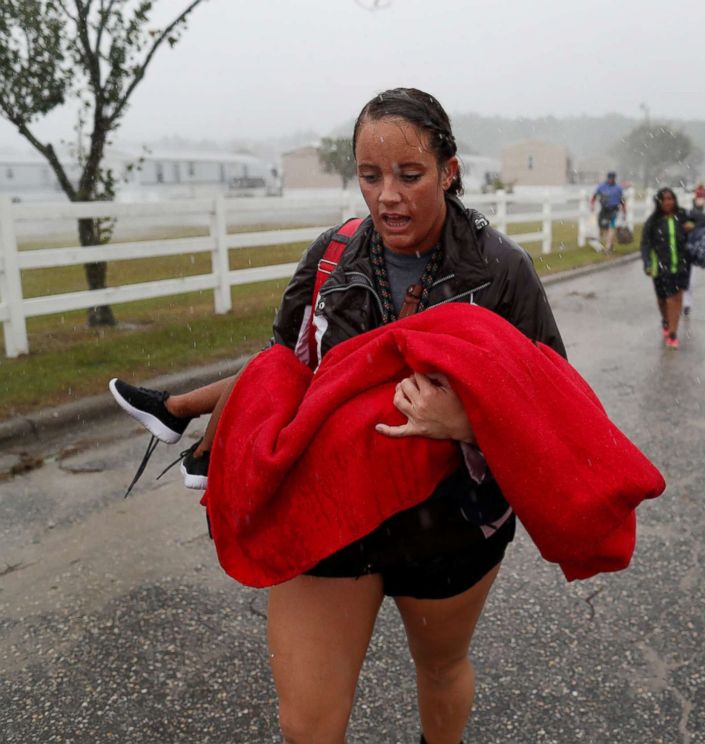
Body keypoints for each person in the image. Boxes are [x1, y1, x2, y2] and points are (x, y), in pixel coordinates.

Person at [111, 87, 565, 744]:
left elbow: (557, 402)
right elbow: (282, 368)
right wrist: (226, 434)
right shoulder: (333, 253)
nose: (387, 196)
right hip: (325, 511)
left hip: (449, 525)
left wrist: (466, 420)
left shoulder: (502, 271)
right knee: (307, 725)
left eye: (410, 175)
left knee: (440, 672)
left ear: (449, 170)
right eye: (370, 175)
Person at [641, 187, 691, 349]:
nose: (669, 202)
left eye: (671, 199)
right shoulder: (653, 221)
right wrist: (648, 263)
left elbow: (703, 218)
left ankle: (673, 332)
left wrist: (693, 224)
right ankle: (665, 320)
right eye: (665, 199)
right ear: (659, 202)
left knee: (675, 297)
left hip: (682, 266)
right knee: (663, 299)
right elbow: (645, 244)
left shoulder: (682, 216)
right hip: (660, 267)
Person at [681, 193, 705, 317]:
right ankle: (680, 302)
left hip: (692, 252)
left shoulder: (702, 218)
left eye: (702, 201)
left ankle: (687, 303)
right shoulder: (684, 216)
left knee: (690, 280)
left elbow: (703, 219)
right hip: (681, 251)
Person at [589, 171, 626, 253]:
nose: (610, 180)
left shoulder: (618, 188)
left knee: (611, 227)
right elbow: (594, 196)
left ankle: (608, 247)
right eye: (609, 178)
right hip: (604, 209)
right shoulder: (602, 187)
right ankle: (609, 243)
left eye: (612, 178)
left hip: (613, 210)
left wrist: (624, 211)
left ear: (614, 179)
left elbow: (622, 201)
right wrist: (592, 205)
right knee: (603, 227)